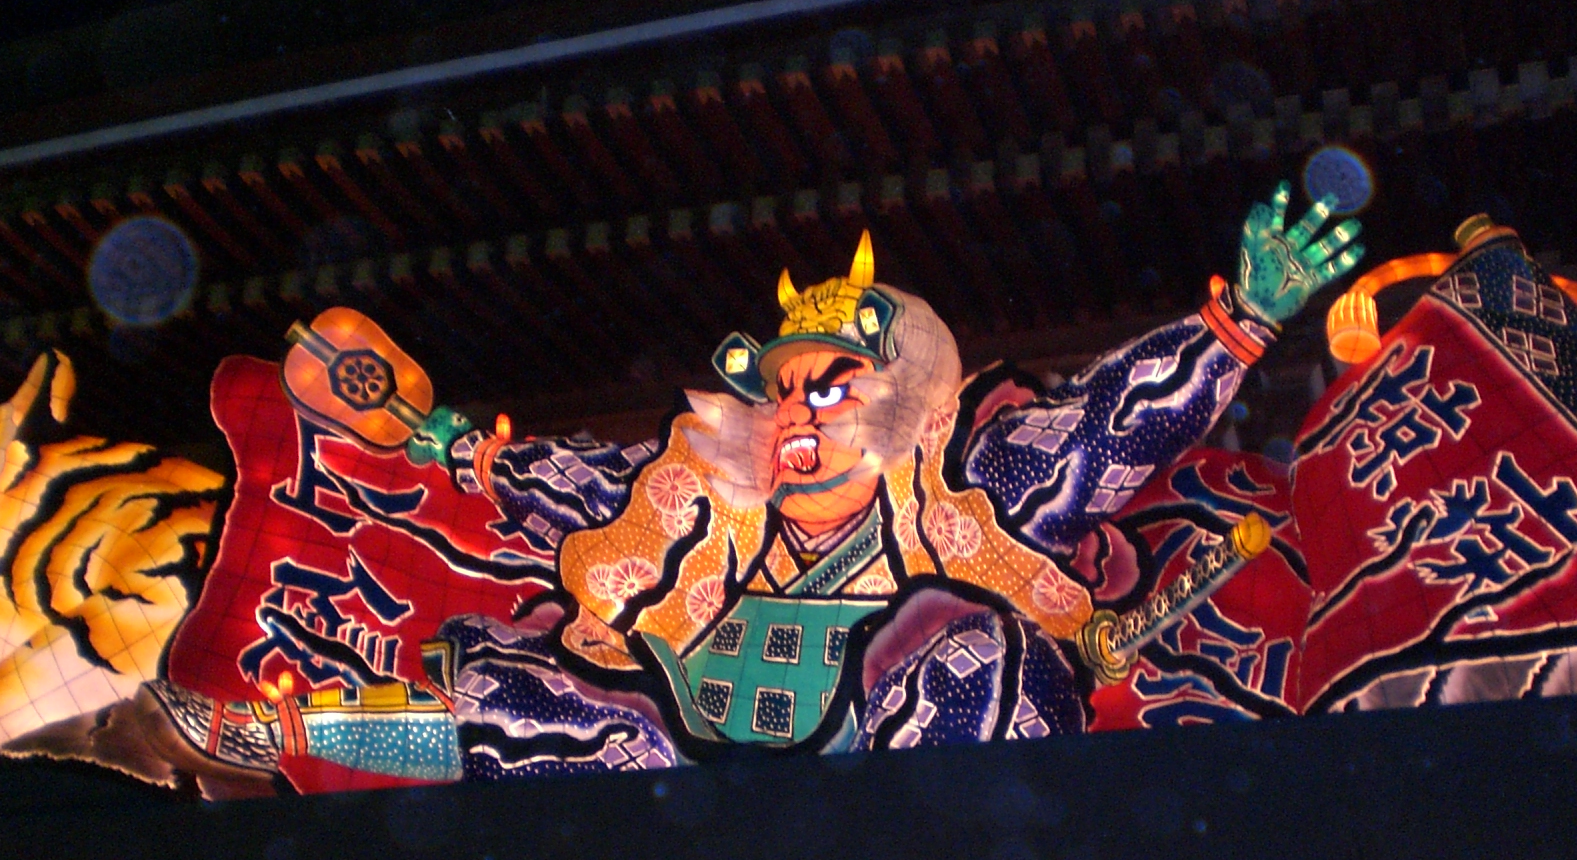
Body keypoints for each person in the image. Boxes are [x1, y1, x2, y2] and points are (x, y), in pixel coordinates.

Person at [151, 185, 1360, 784]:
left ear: (903, 407)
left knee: (978, 656)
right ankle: (293, 730)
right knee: (506, 697)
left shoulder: (966, 491)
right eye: (783, 390)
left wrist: (1240, 321)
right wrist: (432, 438)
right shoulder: (703, 503)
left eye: (832, 386)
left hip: (901, 777)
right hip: (711, 758)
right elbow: (557, 478)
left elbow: (1108, 426)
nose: (797, 411)